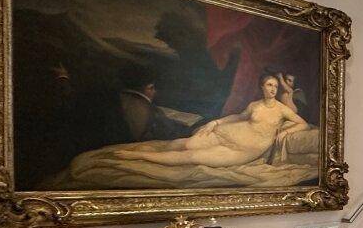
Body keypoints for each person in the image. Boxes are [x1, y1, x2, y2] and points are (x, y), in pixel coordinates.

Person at [67, 71, 308, 178]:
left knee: (192, 157)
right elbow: (238, 117)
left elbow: (303, 124)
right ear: (262, 87)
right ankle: (139, 151)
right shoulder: (254, 105)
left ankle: (134, 157)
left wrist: (283, 132)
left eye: (274, 86)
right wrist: (216, 121)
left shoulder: (282, 109)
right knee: (186, 143)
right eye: (269, 85)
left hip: (247, 148)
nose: (272, 89)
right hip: (233, 132)